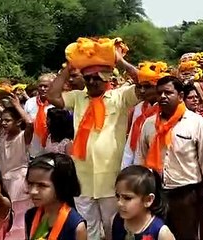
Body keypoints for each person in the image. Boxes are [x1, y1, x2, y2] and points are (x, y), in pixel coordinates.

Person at [47, 43, 139, 240]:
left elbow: (146, 83)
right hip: (83, 177)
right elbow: (52, 95)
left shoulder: (120, 97)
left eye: (96, 78)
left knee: (115, 228)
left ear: (106, 79)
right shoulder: (78, 98)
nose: (91, 82)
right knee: (89, 231)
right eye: (87, 78)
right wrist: (68, 68)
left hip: (112, 178)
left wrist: (120, 61)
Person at [137, 76, 203, 240]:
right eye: (159, 93)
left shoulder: (196, 123)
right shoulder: (149, 124)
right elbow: (141, 159)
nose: (163, 97)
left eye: (168, 92)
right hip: (157, 193)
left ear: (180, 96)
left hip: (186, 195)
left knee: (185, 236)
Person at [0, 95, 34, 239]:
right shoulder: (2, 134)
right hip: (3, 180)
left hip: (18, 181)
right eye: (2, 120)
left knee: (19, 215)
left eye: (7, 120)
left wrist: (17, 105)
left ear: (18, 122)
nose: (3, 123)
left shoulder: (23, 136)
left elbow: (30, 123)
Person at [25, 153, 87, 240]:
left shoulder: (75, 226)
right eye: (30, 184)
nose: (33, 191)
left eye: (42, 185)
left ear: (60, 186)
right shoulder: (30, 215)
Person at [122, 61, 167, 169]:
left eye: (147, 87)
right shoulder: (138, 108)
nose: (142, 91)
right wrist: (125, 167)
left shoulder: (166, 110)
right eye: (140, 86)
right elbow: (130, 142)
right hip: (138, 163)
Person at [112, 165, 175, 240]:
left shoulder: (161, 232)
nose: (120, 203)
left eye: (127, 198)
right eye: (118, 196)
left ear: (148, 200)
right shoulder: (118, 220)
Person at [24, 73, 56, 157]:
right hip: (33, 147)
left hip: (52, 148)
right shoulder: (30, 102)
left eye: (46, 86)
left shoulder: (57, 104)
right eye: (40, 86)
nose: (42, 89)